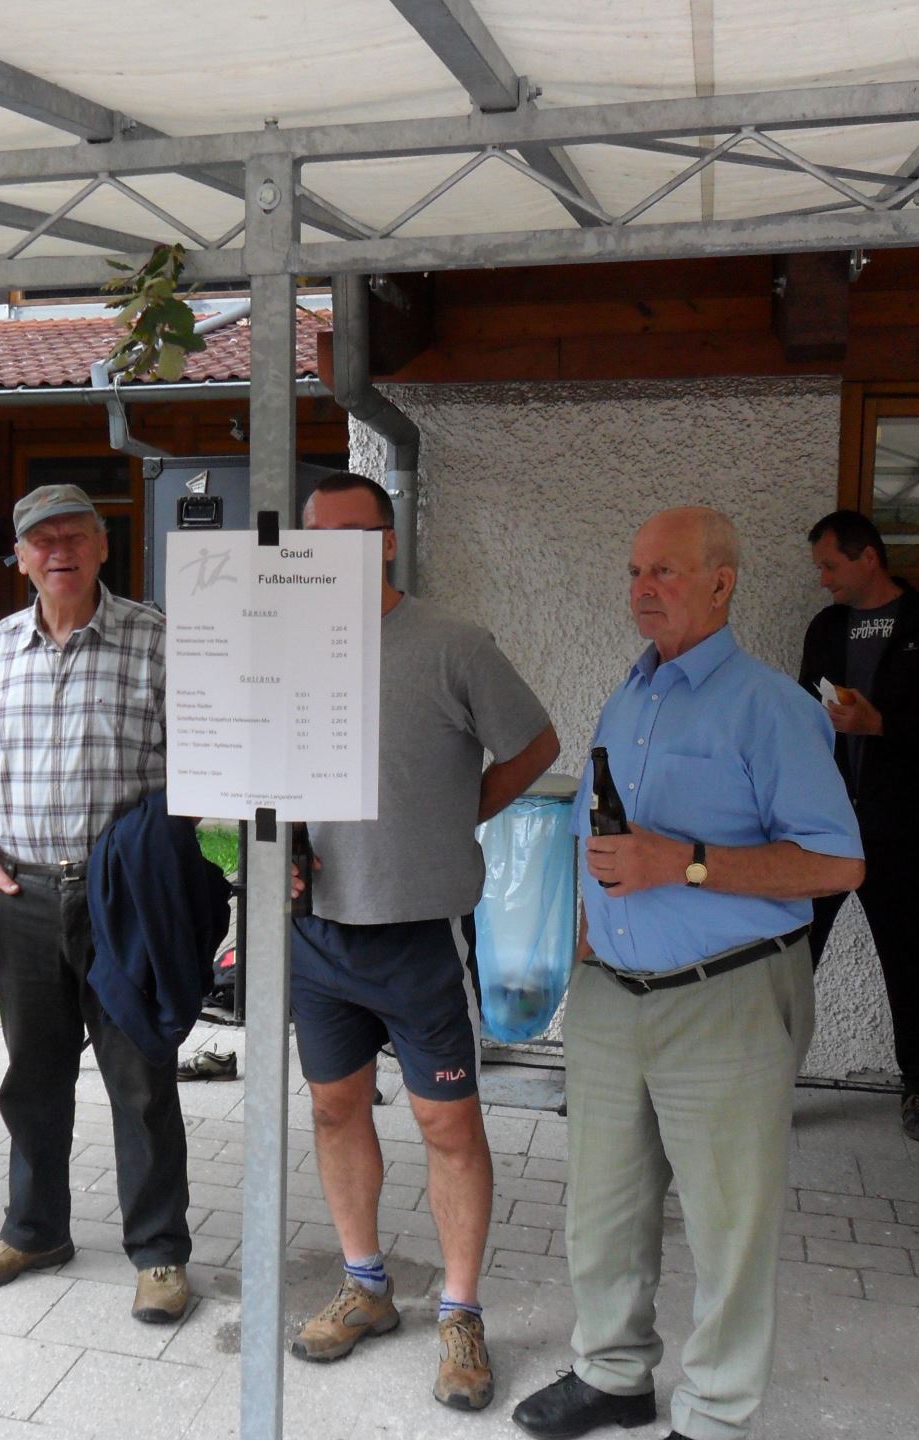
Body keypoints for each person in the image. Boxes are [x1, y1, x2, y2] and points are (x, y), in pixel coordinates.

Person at [512, 507, 863, 1440]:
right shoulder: (632, 696)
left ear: (721, 582)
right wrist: (589, 928)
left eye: (665, 572)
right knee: (603, 1207)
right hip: (611, 998)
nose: (642, 589)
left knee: (727, 1226)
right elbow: (605, 830)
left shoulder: (772, 706)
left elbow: (837, 864)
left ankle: (715, 1413)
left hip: (729, 997)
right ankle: (613, 1374)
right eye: (634, 572)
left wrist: (687, 861)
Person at [282, 473, 558, 1410]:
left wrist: (460, 814)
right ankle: (366, 1286)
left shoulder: (453, 644)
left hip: (418, 932)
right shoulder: (283, 639)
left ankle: (461, 1312)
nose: (331, 554)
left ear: (388, 542)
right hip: (314, 929)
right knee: (333, 1109)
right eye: (315, 537)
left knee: (447, 1124)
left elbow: (536, 742)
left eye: (351, 536)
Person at [0, 483, 192, 1325]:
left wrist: (150, 868)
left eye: (74, 535)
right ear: (19, 557)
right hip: (17, 892)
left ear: (101, 546)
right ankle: (34, 1229)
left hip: (117, 902)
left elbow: (187, 776)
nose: (58, 550)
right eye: (39, 539)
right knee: (33, 1074)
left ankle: (159, 1252)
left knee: (141, 1079)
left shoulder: (155, 641)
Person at [799, 510, 919, 1143]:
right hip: (823, 828)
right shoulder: (826, 628)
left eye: (830, 565)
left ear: (868, 557)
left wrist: (884, 725)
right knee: (794, 957)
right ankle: (763, 1080)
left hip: (903, 826)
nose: (821, 579)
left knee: (910, 961)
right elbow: (801, 712)